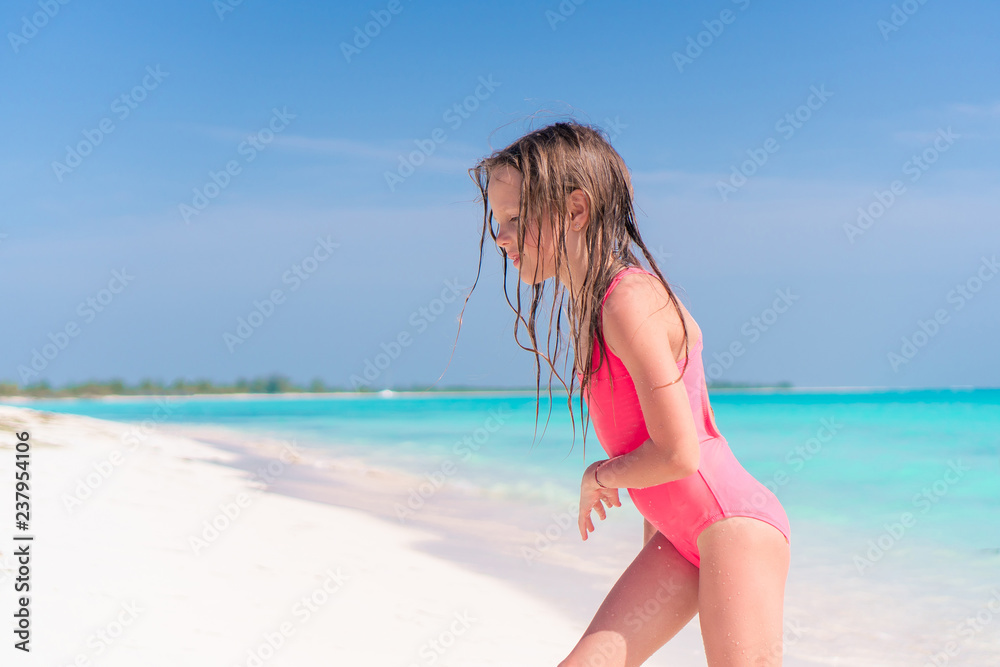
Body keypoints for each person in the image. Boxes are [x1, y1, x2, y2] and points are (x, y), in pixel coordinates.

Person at [465, 121, 792, 666]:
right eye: (496, 222)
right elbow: (655, 458)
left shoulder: (627, 300)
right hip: (681, 537)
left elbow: (679, 452)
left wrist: (600, 476)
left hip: (732, 527)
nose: (500, 237)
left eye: (515, 219)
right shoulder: (597, 308)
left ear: (575, 210)